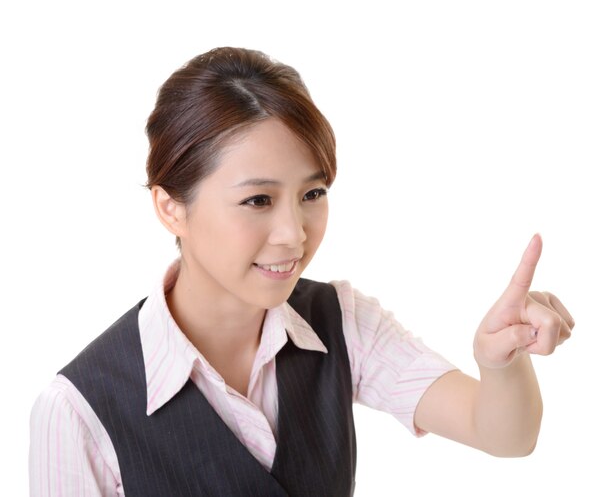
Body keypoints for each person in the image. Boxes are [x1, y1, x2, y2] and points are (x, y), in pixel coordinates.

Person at [29, 47, 574, 496]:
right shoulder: (79, 409)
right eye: (259, 200)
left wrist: (498, 365)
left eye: (312, 193)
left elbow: (505, 434)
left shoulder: (340, 322)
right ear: (171, 207)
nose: (295, 233)